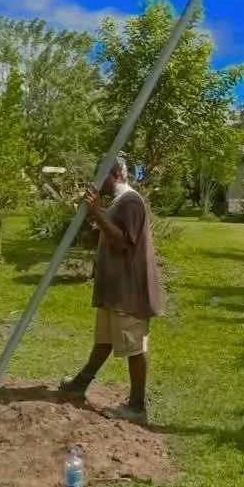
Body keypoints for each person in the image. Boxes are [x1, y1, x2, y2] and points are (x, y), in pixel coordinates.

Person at [61, 156, 163, 425]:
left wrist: (97, 212)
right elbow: (113, 235)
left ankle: (138, 406)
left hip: (129, 292)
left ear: (115, 174)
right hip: (114, 291)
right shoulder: (119, 203)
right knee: (105, 338)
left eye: (100, 174)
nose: (96, 181)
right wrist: (97, 222)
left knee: (134, 345)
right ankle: (80, 384)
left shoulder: (130, 201)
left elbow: (125, 244)